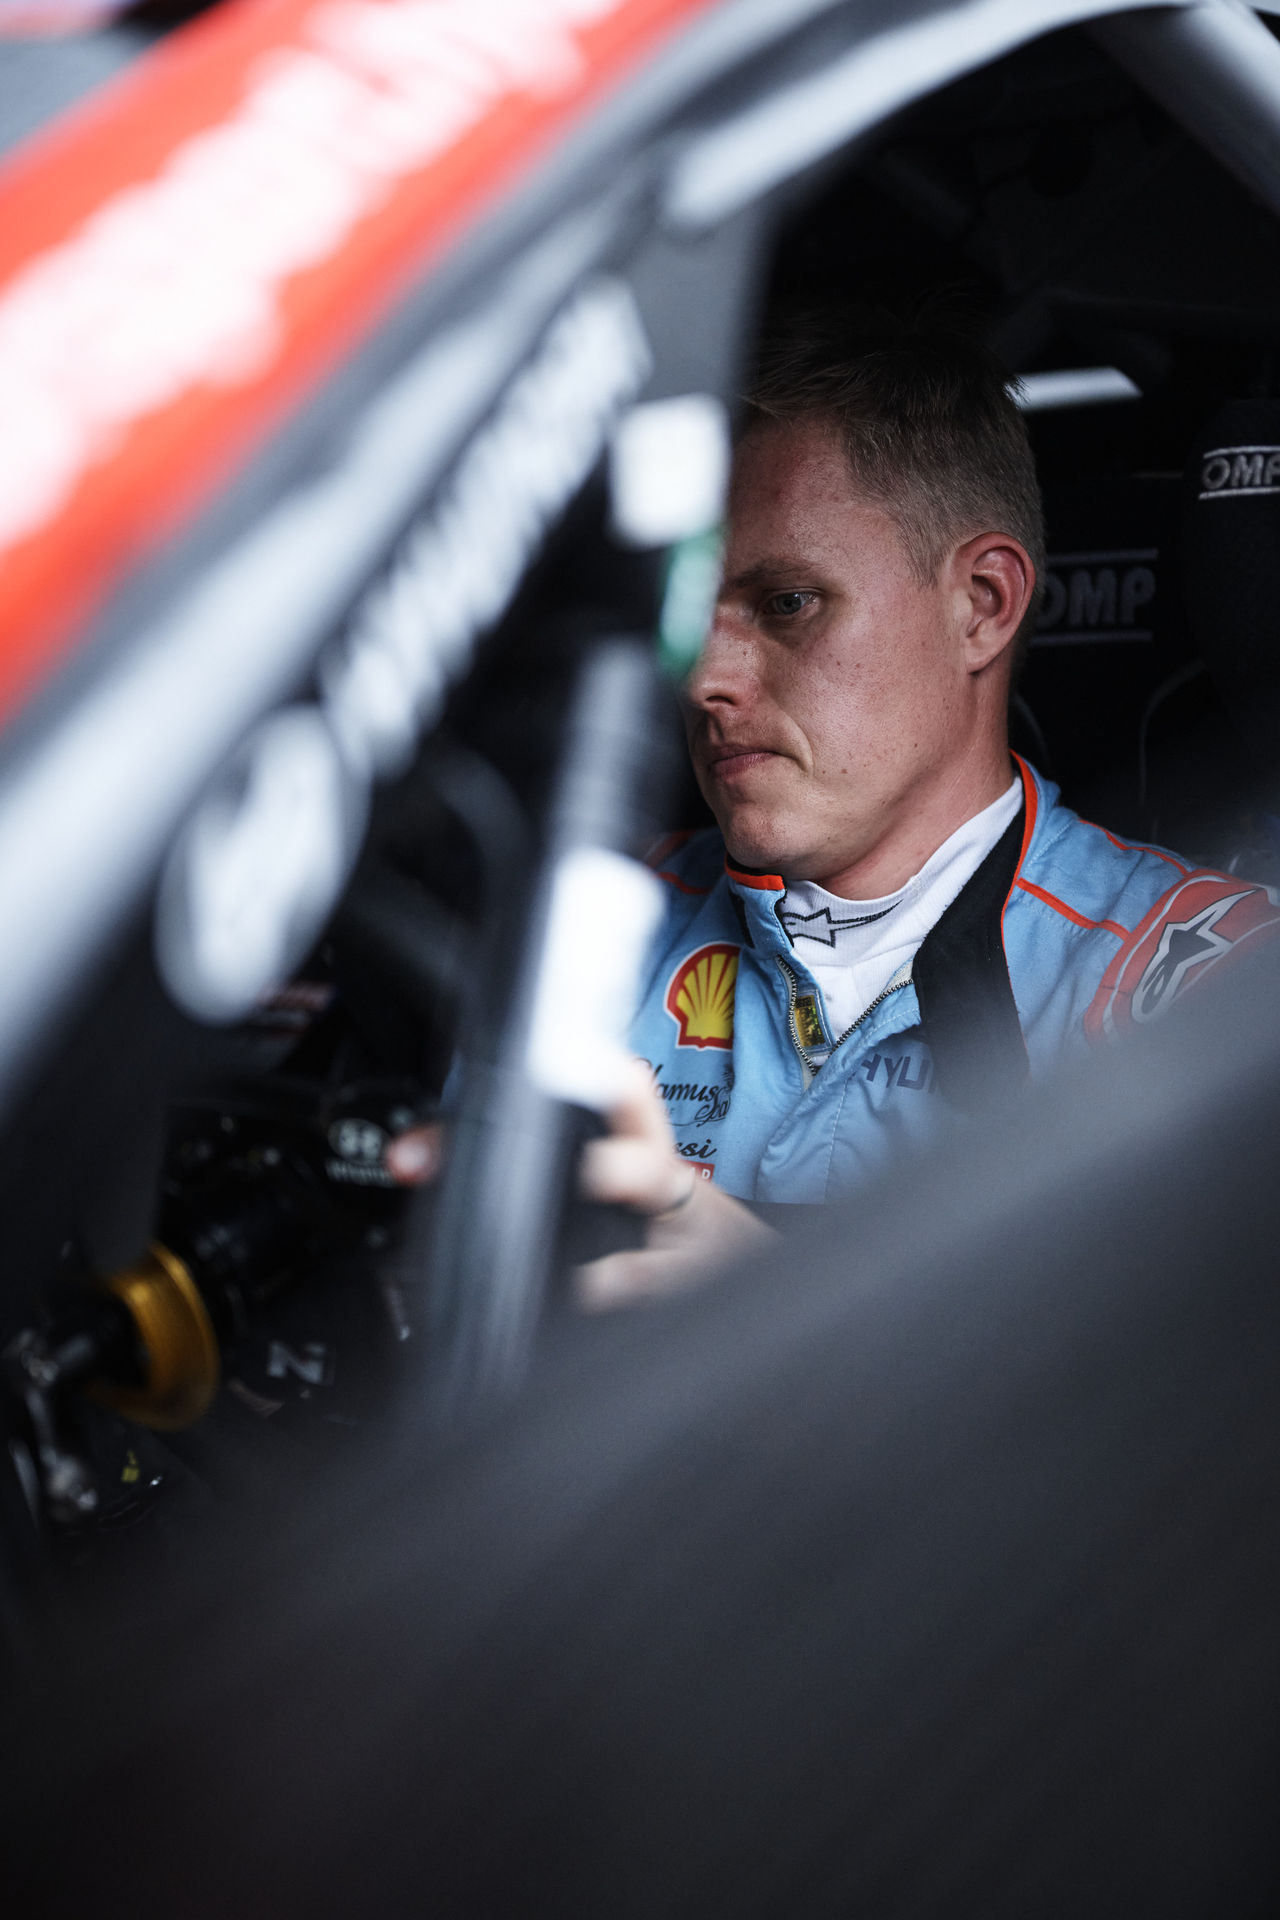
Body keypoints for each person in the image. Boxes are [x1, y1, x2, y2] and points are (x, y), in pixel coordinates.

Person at [567, 309, 1280, 1302]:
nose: (704, 680)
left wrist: (779, 1313)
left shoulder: (1206, 984)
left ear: (981, 604)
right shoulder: (587, 935)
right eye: (688, 618)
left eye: (787, 603)